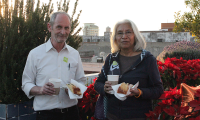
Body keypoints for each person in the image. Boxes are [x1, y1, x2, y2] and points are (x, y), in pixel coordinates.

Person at [21, 11, 86, 120]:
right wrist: (41, 90)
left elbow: (81, 81)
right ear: (49, 27)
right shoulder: (35, 54)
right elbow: (26, 83)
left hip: (71, 113)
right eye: (59, 27)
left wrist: (73, 90)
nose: (63, 32)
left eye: (66, 28)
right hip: (46, 115)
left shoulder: (74, 54)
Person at [94, 19, 164, 120]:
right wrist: (104, 88)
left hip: (138, 116)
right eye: (120, 33)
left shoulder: (147, 59)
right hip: (111, 116)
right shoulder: (111, 58)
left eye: (128, 32)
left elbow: (158, 90)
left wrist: (139, 92)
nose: (124, 36)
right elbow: (98, 83)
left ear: (135, 35)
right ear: (115, 38)